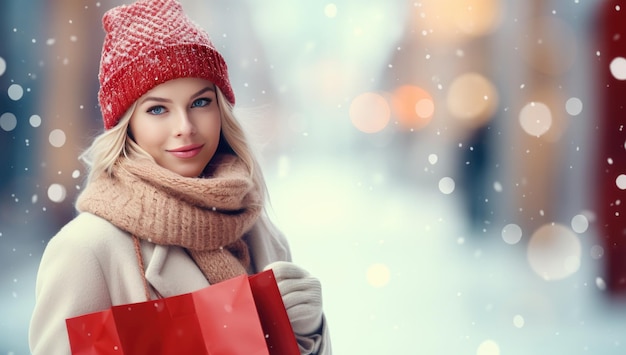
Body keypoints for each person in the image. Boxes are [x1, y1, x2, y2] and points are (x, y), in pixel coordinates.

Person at [28, 0, 332, 354]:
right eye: (158, 109)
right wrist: (234, 325)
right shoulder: (86, 250)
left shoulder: (260, 233)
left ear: (222, 110)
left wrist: (307, 335)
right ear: (128, 126)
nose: (185, 128)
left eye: (201, 103)